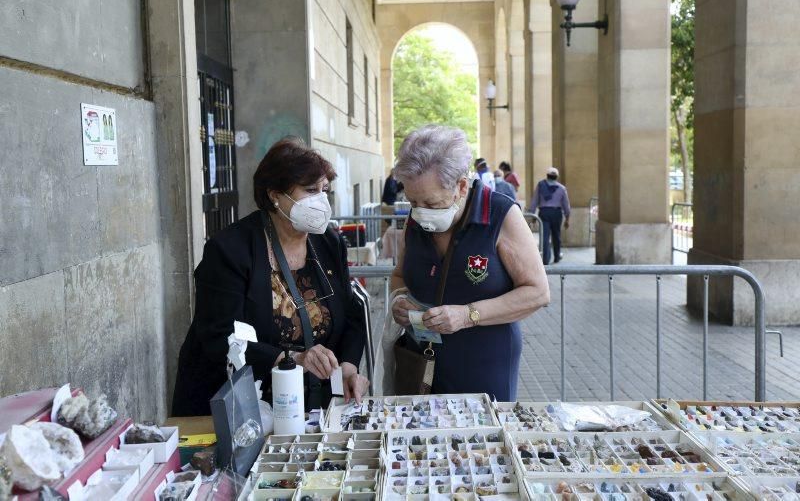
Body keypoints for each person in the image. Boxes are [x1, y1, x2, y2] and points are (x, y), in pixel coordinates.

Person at [172, 137, 369, 416]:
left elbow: (350, 313)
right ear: (275, 194)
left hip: (314, 406)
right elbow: (219, 335)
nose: (321, 201)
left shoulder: (328, 242)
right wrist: (293, 359)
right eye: (310, 190)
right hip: (245, 404)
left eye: (325, 190)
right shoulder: (230, 249)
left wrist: (348, 368)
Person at [390, 125, 550, 401]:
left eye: (431, 202)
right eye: (413, 201)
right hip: (420, 366)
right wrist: (399, 300)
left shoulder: (501, 214)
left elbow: (537, 292)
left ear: (461, 186)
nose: (421, 213)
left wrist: (467, 315)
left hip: (484, 365)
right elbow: (399, 276)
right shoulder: (413, 219)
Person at [531, 167, 571, 264]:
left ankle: (545, 259)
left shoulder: (541, 186)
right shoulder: (561, 188)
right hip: (556, 213)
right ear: (557, 177)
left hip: (544, 213)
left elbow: (535, 201)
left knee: (545, 237)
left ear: (547, 175)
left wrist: (533, 215)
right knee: (556, 235)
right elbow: (566, 205)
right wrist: (567, 218)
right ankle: (557, 256)